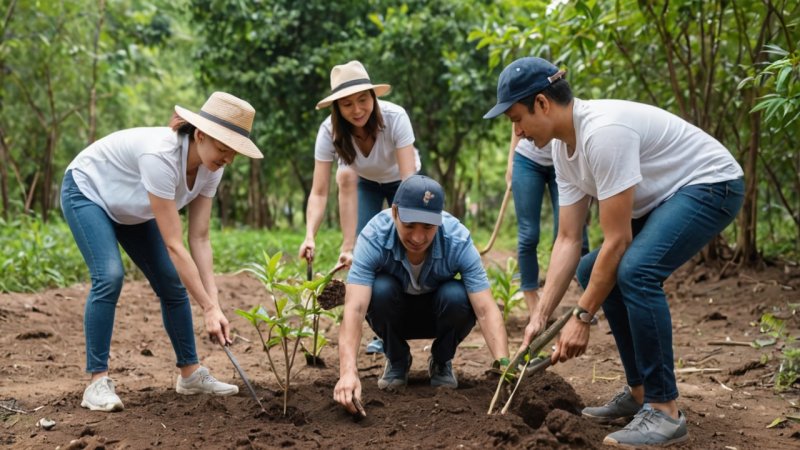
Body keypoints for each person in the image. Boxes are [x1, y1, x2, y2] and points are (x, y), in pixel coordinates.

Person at [485, 57, 744, 447]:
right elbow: (569, 239)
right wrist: (540, 317)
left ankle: (665, 410)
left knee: (636, 271)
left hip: (711, 183)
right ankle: (640, 392)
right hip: (666, 196)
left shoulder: (602, 133)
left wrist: (583, 315)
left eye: (517, 119)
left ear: (542, 103)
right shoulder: (562, 150)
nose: (517, 133)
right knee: (592, 270)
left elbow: (618, 240)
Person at [61, 92, 263, 412]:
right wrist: (208, 307)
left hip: (132, 208)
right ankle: (97, 383)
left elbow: (200, 238)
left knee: (171, 282)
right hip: (89, 191)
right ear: (200, 135)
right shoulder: (161, 156)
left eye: (233, 152)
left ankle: (190, 374)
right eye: (223, 148)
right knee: (109, 275)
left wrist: (215, 305)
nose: (228, 158)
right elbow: (174, 244)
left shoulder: (213, 168)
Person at [333, 175, 509, 414]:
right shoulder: (373, 236)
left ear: (439, 220)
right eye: (409, 225)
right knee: (380, 289)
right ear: (395, 212)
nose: (418, 237)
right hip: (394, 314)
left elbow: (486, 310)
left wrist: (505, 367)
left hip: (440, 314)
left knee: (457, 295)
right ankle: (397, 359)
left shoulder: (457, 239)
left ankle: (441, 360)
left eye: (428, 227)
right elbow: (354, 308)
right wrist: (347, 373)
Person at [299, 60, 421, 269]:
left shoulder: (396, 117)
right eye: (347, 104)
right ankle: (352, 261)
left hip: (403, 182)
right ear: (337, 107)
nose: (357, 110)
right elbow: (319, 193)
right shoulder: (329, 131)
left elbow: (408, 181)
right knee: (363, 248)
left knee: (408, 241)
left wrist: (400, 226)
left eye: (362, 100)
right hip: (365, 183)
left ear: (373, 96)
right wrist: (310, 235)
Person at [505, 126, 589, 322]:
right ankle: (533, 302)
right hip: (527, 159)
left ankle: (587, 299)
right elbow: (517, 122)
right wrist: (511, 161)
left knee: (572, 231)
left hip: (564, 160)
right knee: (528, 234)